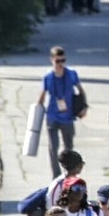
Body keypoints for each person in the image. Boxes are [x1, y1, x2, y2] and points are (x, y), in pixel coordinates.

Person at [38, 46, 87, 179]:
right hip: (52, 116)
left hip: (68, 117)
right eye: (57, 61)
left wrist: (83, 107)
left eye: (62, 60)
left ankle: (69, 174)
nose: (60, 64)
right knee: (53, 148)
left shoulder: (71, 74)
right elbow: (42, 95)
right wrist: (37, 110)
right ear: (51, 60)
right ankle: (56, 176)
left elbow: (80, 90)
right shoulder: (48, 77)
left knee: (68, 148)